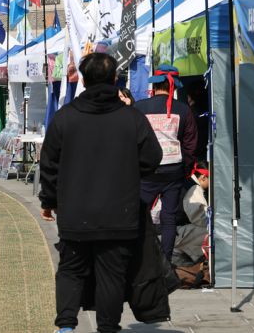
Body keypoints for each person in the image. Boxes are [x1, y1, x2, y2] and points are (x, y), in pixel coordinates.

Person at [39, 52, 162, 333]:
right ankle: (107, 328)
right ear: (115, 79)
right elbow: (152, 157)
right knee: (112, 276)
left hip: (74, 212)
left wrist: (48, 201)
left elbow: (48, 165)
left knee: (71, 270)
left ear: (82, 79)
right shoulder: (132, 118)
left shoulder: (64, 117)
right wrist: (129, 171)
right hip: (119, 213)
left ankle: (66, 327)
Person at [134, 64, 198, 261]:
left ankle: (142, 260)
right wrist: (186, 170)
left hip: (147, 170)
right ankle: (165, 262)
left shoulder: (140, 108)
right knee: (169, 218)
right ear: (174, 87)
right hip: (174, 170)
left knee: (139, 215)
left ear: (154, 86)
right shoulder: (184, 110)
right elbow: (190, 144)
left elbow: (132, 139)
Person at [173, 161, 210, 267]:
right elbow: (200, 218)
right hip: (174, 232)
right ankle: (200, 259)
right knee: (209, 231)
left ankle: (179, 254)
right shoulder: (194, 189)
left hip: (167, 230)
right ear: (203, 177)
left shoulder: (186, 182)